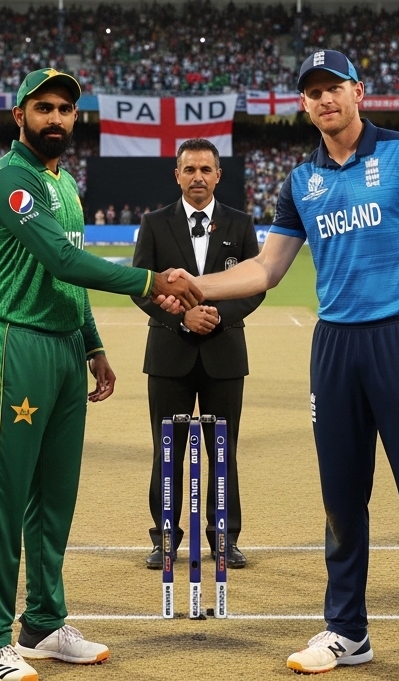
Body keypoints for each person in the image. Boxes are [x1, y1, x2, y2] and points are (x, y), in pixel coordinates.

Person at [159, 50, 399, 681]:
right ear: (304, 105)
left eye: (334, 88)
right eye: (313, 93)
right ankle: (347, 631)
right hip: (335, 348)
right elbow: (266, 269)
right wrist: (197, 284)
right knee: (341, 501)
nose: (325, 100)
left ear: (358, 91)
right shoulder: (302, 181)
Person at [0, 68, 199, 681]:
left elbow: (67, 278)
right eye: (43, 108)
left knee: (55, 496)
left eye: (66, 109)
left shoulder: (64, 182)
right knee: (5, 493)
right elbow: (63, 258)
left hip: (65, 349)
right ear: (19, 116)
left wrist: (92, 343)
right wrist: (153, 281)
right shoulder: (11, 179)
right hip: (17, 342)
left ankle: (41, 623)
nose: (57, 119)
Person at [131, 137, 263, 572]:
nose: (198, 178)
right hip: (170, 353)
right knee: (167, 451)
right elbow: (141, 286)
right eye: (189, 170)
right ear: (177, 175)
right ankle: (164, 539)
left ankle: (224, 538)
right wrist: (182, 320)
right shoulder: (153, 224)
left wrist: (217, 318)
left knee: (223, 452)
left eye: (206, 170)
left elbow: (256, 284)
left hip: (225, 354)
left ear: (218, 175)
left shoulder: (241, 224)